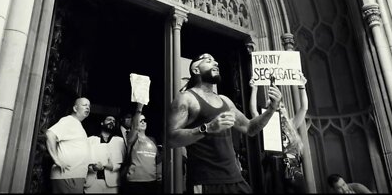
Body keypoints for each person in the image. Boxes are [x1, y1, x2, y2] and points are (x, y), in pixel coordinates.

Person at [168, 53, 283, 193]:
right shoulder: (185, 98)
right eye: (208, 61)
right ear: (195, 70)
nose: (215, 63)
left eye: (215, 60)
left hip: (235, 179)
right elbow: (171, 139)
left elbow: (250, 128)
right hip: (206, 181)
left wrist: (271, 109)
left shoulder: (225, 100)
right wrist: (208, 128)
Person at [249, 73, 309, 193]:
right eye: (273, 106)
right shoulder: (266, 126)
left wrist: (302, 87)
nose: (278, 108)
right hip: (275, 169)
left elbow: (304, 108)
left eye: (281, 106)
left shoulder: (292, 124)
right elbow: (254, 111)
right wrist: (254, 89)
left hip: (293, 169)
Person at [46, 97, 91, 193]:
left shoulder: (77, 124)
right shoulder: (68, 120)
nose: (88, 108)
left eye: (89, 106)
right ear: (75, 108)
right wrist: (56, 159)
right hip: (68, 176)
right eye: (84, 105)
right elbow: (50, 134)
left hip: (74, 176)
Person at [123, 102, 159, 193]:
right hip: (135, 182)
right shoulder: (132, 137)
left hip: (152, 181)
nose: (142, 122)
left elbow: (157, 160)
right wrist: (139, 109)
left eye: (144, 120)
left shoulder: (152, 140)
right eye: (140, 120)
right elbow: (135, 128)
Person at [84, 116, 126, 193]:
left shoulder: (120, 141)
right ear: (102, 123)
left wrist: (113, 167)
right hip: (92, 183)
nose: (112, 121)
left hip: (112, 183)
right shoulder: (90, 140)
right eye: (109, 119)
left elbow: (124, 161)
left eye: (114, 121)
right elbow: (84, 161)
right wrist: (93, 167)